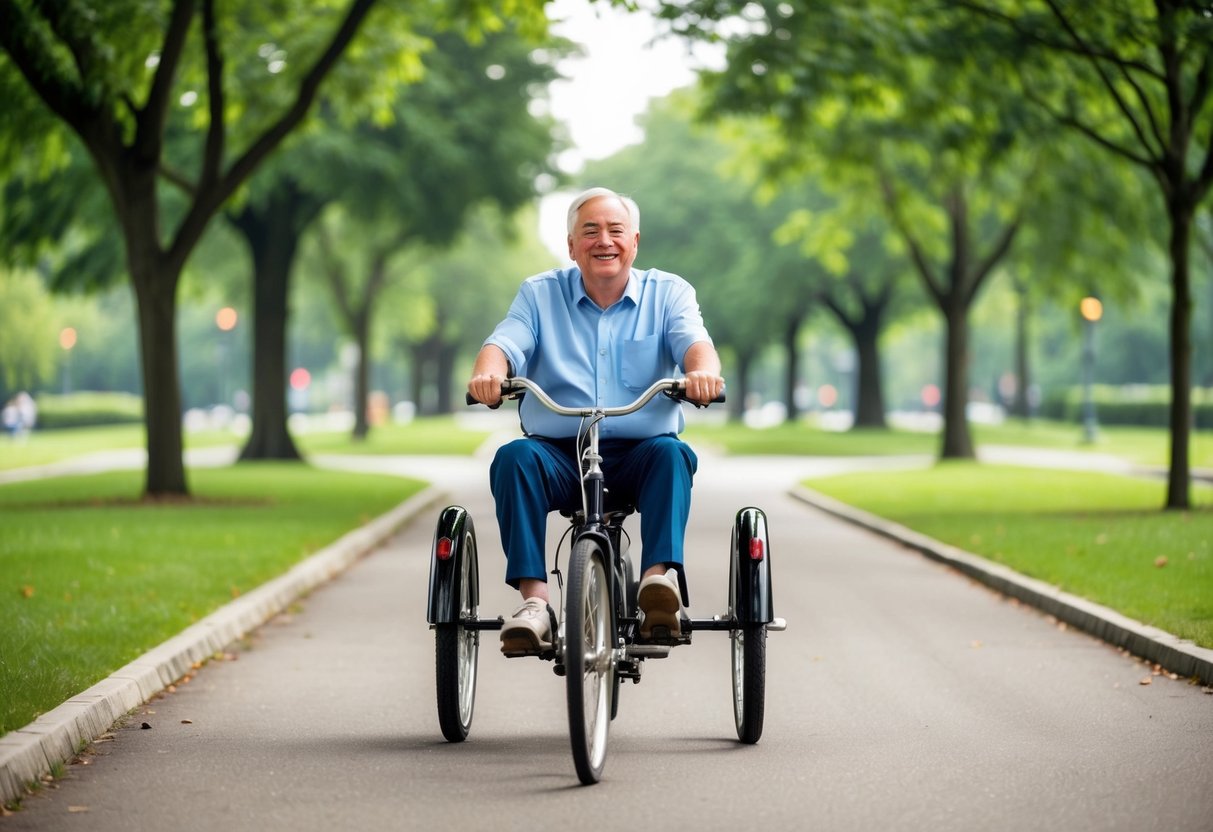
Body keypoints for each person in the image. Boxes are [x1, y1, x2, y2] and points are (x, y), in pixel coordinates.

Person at [467, 187, 725, 656]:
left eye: (615, 230)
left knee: (672, 454)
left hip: (639, 456)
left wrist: (702, 372)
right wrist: (490, 372)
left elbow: (693, 340)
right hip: (558, 454)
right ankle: (536, 604)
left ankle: (656, 587)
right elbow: (505, 341)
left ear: (635, 241)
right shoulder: (539, 294)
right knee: (513, 458)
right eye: (590, 231)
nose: (603, 240)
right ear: (571, 246)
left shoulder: (669, 292)